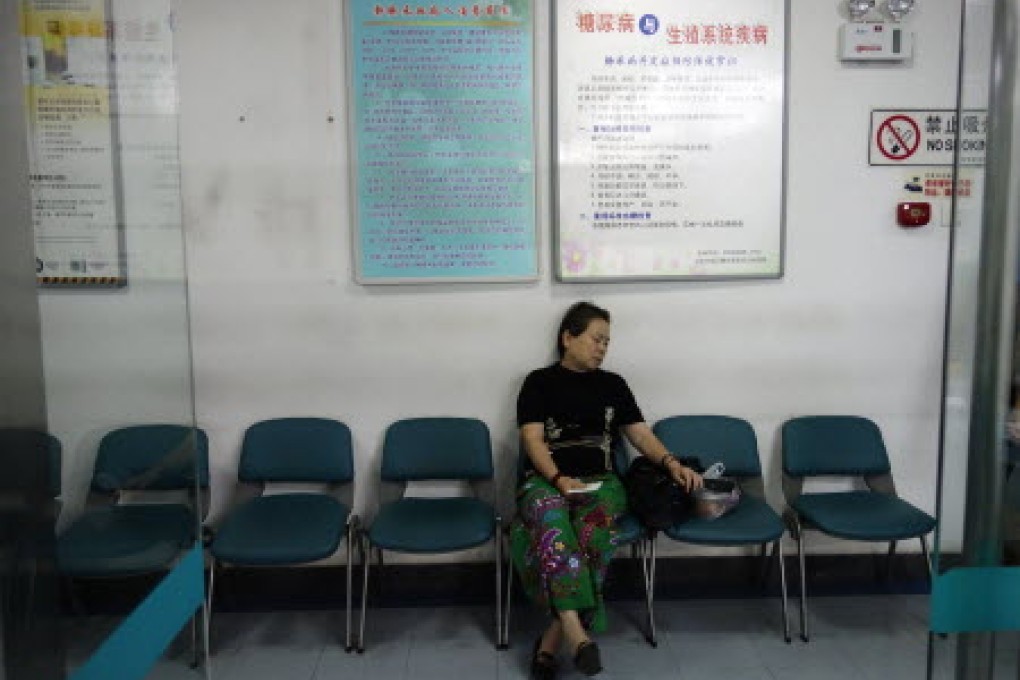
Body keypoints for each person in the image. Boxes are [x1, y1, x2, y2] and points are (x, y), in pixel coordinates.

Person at [509, 301, 703, 678]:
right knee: (552, 521)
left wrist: (671, 463)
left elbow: (641, 434)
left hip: (602, 482)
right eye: (597, 339)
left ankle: (553, 638)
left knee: (593, 532)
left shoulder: (613, 384)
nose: (602, 348)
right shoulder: (538, 382)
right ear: (568, 337)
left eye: (607, 342)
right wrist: (559, 479)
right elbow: (532, 440)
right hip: (545, 480)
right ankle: (575, 634)